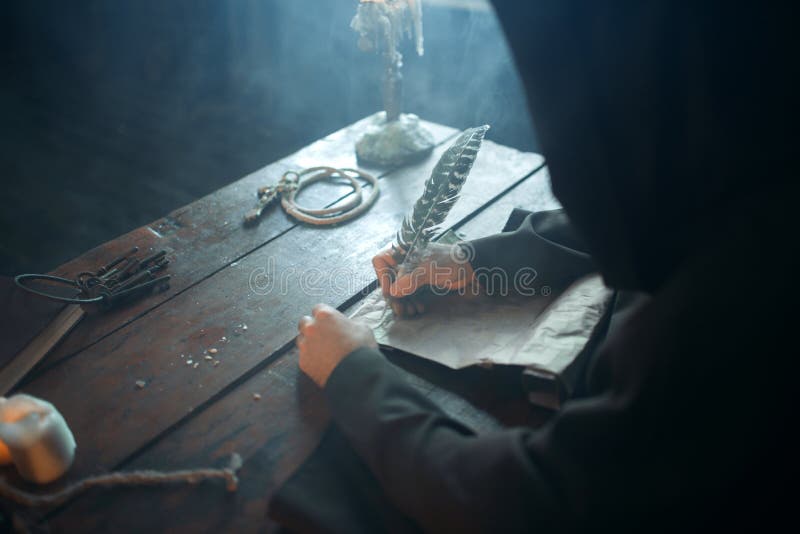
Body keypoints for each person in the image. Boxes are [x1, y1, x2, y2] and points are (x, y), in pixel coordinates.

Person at [290, 2, 797, 532]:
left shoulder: (731, 311)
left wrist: (354, 373)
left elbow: (525, 500)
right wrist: (472, 260)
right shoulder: (741, 170)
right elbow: (656, 212)